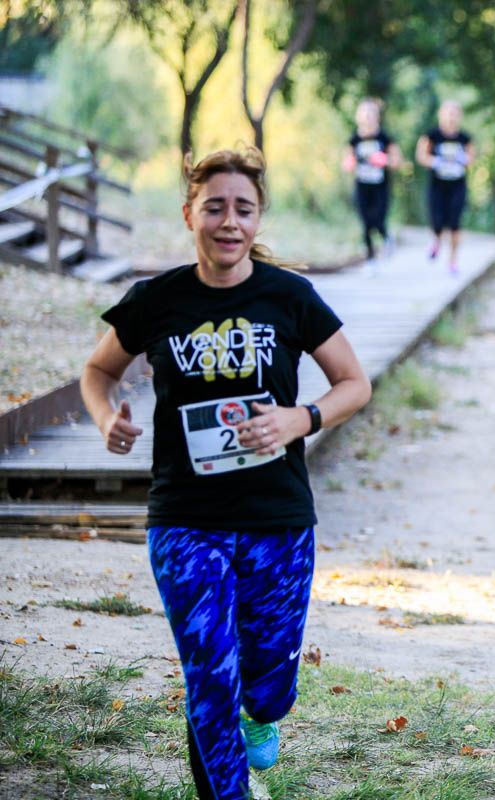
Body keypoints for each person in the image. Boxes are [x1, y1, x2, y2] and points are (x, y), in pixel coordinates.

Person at [81, 147, 372, 800]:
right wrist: (106, 419)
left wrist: (303, 418)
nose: (229, 221)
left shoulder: (289, 296)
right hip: (186, 519)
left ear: (258, 217)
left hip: (278, 520)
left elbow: (356, 384)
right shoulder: (157, 300)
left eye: (243, 208)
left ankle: (260, 717)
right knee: (210, 673)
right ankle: (228, 790)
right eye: (214, 207)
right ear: (190, 214)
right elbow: (98, 372)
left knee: (266, 687)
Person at [342, 97, 405, 260]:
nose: (368, 116)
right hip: (362, 185)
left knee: (378, 220)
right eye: (364, 113)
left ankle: (386, 239)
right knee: (365, 222)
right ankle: (370, 259)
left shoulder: (385, 138)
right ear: (358, 116)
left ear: (377, 116)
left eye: (371, 113)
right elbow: (347, 162)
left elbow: (398, 161)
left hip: (380, 186)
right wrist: (350, 163)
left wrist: (385, 160)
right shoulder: (354, 139)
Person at [415, 99, 473, 274]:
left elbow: (471, 159)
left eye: (454, 114)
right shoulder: (432, 136)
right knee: (437, 220)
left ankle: (453, 262)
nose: (451, 117)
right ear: (441, 115)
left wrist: (463, 159)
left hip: (457, 186)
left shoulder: (464, 138)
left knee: (455, 223)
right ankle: (436, 242)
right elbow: (421, 156)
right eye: (448, 113)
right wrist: (435, 161)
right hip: (437, 186)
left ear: (459, 116)